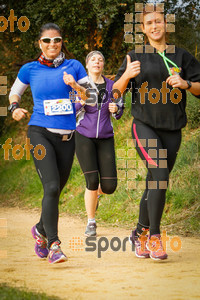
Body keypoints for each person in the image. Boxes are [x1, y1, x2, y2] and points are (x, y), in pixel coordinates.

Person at [113, 4, 200, 260]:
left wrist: (187, 84)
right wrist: (127, 75)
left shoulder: (182, 56)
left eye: (158, 21)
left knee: (155, 181)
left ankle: (139, 232)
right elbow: (116, 92)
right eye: (149, 22)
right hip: (144, 126)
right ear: (142, 28)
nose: (154, 25)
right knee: (160, 174)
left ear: (166, 24)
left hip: (173, 129)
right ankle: (154, 237)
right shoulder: (135, 56)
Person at [8, 23, 90, 264]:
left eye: (57, 40)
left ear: (62, 42)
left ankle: (40, 229)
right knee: (52, 187)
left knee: (55, 190)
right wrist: (14, 107)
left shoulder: (73, 66)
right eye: (47, 41)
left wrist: (74, 85)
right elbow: (15, 92)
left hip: (68, 136)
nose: (52, 44)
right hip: (39, 132)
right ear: (39, 43)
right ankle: (54, 245)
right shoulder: (29, 69)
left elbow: (90, 96)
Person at [75, 51, 124, 236]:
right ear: (87, 64)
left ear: (103, 65)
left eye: (100, 59)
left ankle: (93, 194)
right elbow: (69, 110)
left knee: (110, 187)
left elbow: (120, 109)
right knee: (92, 180)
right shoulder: (79, 85)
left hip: (105, 138)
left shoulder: (112, 85)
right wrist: (80, 103)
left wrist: (116, 108)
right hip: (83, 136)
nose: (97, 62)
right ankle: (91, 221)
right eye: (93, 59)